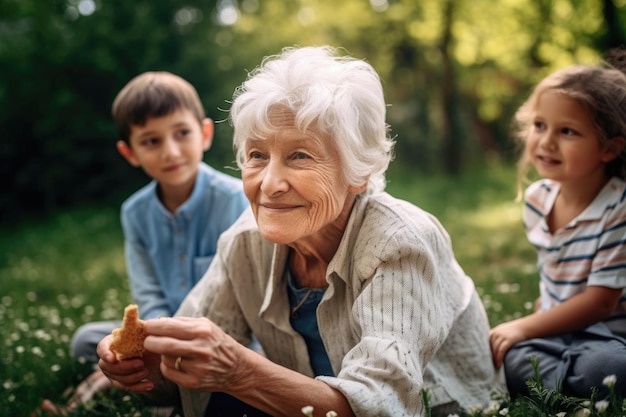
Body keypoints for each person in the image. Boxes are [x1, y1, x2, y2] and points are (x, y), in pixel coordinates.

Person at [97, 45, 500, 417]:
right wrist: (149, 370)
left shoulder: (399, 243)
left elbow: (382, 406)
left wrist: (239, 371)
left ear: (357, 171)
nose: (269, 183)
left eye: (300, 156)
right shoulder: (244, 241)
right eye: (257, 155)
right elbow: (179, 375)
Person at [37, 71, 249, 415]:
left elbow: (240, 300)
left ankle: (97, 391)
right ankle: (132, 378)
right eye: (151, 141)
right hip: (161, 331)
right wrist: (153, 342)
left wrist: (167, 345)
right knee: (88, 340)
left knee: (207, 375)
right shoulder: (135, 212)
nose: (171, 151)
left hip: (226, 336)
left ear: (205, 133)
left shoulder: (235, 200)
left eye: (182, 133)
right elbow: (148, 293)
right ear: (130, 152)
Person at [489, 48, 626, 399]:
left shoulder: (618, 208)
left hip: (607, 336)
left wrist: (523, 326)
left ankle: (557, 384)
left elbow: (599, 303)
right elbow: (555, 272)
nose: (546, 141)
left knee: (610, 367)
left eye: (567, 131)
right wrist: (542, 311)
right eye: (539, 125)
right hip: (556, 335)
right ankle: (570, 383)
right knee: (511, 354)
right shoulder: (538, 200)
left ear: (609, 149)